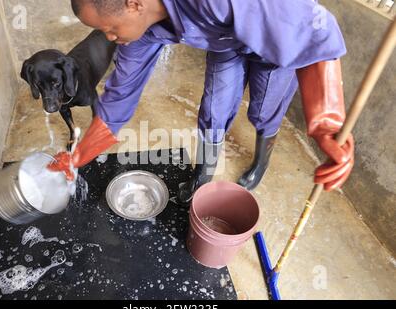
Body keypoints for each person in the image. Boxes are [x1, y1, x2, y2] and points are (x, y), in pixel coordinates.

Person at [69, 0, 354, 205]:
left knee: (265, 112)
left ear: (134, 4)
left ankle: (259, 163)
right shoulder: (139, 33)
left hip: (276, 41)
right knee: (214, 110)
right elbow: (120, 97)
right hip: (226, 40)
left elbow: (315, 31)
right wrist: (78, 156)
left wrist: (327, 124)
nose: (109, 37)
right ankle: (203, 174)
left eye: (109, 28)